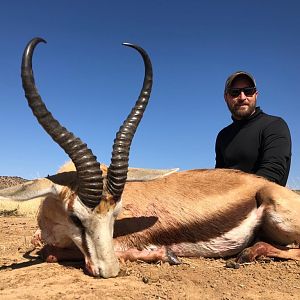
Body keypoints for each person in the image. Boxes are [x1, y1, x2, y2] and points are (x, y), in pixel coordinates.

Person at [215, 71, 291, 186]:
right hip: (227, 202)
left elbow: (272, 172)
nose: (242, 97)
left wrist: (234, 198)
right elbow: (218, 177)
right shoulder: (223, 135)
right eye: (234, 92)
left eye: (248, 91)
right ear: (226, 97)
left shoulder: (274, 125)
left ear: (256, 94)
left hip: (264, 202)